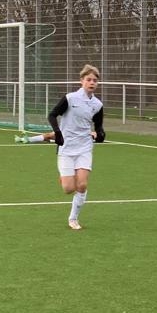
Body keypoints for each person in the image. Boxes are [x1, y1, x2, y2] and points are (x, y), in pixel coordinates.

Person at [48, 64, 105, 230]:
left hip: (84, 148)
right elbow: (52, 115)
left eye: (95, 80)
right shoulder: (70, 98)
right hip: (66, 148)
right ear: (82, 81)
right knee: (68, 189)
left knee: (82, 185)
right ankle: (65, 178)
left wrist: (100, 134)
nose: (92, 82)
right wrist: (57, 132)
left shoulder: (97, 104)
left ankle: (73, 219)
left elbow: (99, 127)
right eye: (89, 79)